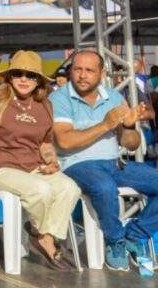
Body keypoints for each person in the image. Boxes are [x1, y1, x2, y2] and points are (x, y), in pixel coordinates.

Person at [0, 51, 80, 269]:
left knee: (69, 188)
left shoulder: (45, 104)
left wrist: (51, 161)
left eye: (31, 75)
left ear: (38, 80)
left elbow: (46, 143)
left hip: (33, 166)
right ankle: (43, 238)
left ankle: (43, 234)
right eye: (18, 73)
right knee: (40, 190)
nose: (24, 79)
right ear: (9, 76)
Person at [50, 50, 158, 272]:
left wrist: (128, 125)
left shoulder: (114, 97)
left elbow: (131, 144)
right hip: (77, 163)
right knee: (103, 186)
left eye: (89, 70)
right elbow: (65, 142)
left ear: (102, 73)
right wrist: (106, 125)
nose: (82, 75)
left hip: (114, 163)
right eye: (77, 69)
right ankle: (115, 241)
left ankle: (135, 236)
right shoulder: (59, 98)